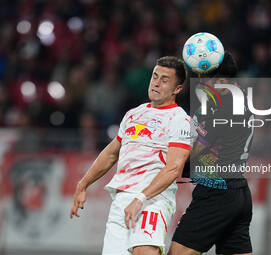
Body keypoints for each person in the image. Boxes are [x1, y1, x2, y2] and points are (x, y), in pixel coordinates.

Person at [70, 56, 195, 255]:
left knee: (143, 252)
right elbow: (111, 153)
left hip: (153, 200)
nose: (156, 82)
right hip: (121, 201)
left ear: (177, 89)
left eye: (164, 80)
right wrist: (83, 184)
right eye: (155, 76)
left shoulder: (181, 120)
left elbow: (173, 168)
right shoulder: (133, 114)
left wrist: (141, 198)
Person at [168, 51, 254, 255]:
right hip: (239, 191)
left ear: (223, 81)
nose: (200, 83)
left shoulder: (221, 109)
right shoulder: (240, 98)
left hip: (217, 192)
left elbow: (195, 149)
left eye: (205, 79)